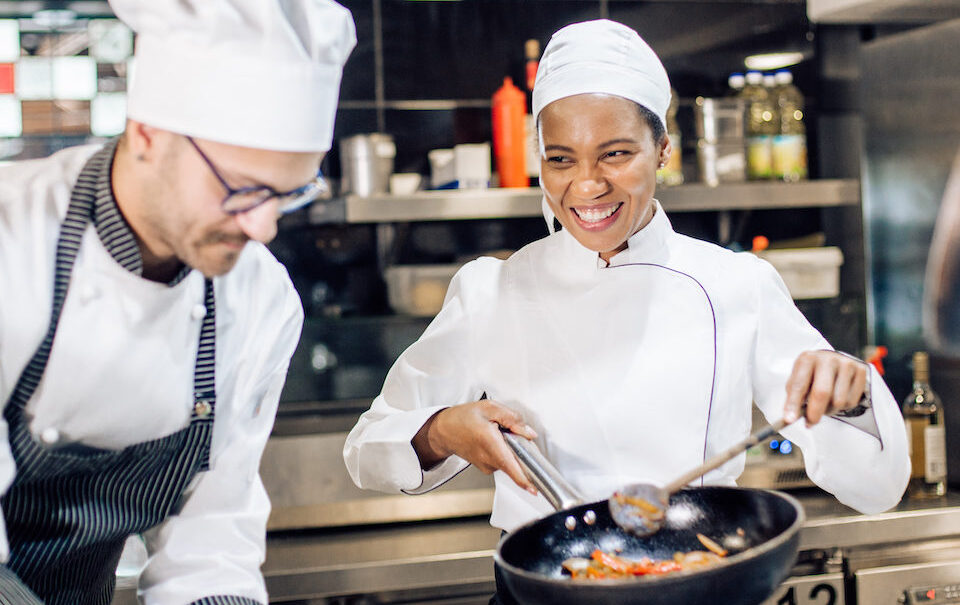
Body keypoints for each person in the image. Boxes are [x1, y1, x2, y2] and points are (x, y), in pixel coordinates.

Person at [343, 18, 909, 603]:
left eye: (615, 154)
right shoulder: (493, 289)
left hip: (696, 582)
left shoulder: (734, 284)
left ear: (663, 148)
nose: (586, 187)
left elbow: (878, 487)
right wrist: (443, 431)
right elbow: (368, 448)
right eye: (560, 160)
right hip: (545, 591)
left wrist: (853, 396)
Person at [0, 1, 355, 603]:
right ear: (146, 134)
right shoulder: (13, 248)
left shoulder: (260, 298)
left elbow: (211, 545)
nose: (266, 227)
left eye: (288, 193)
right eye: (243, 188)